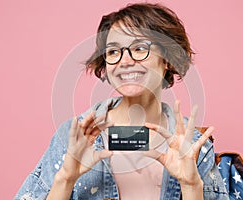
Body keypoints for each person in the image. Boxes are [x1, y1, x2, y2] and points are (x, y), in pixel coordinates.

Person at [15, 3, 229, 200]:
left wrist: (191, 186)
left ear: (167, 60)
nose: (125, 61)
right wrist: (65, 179)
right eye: (113, 51)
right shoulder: (74, 135)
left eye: (139, 48)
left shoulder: (193, 144)